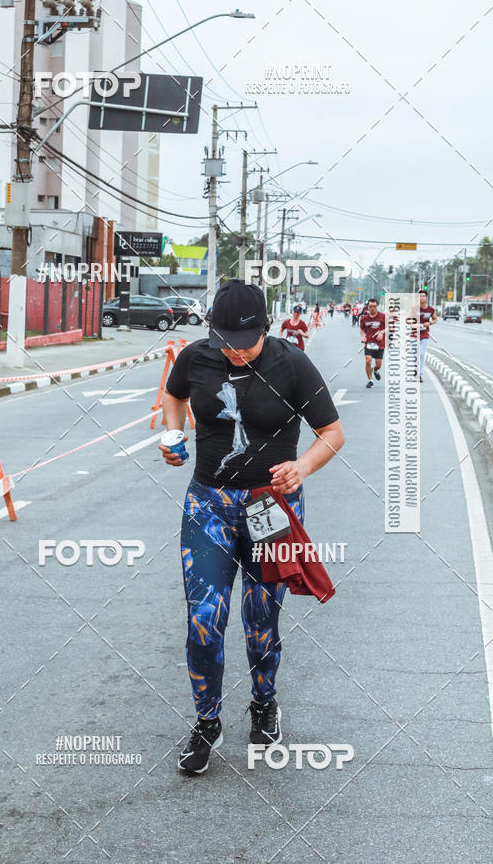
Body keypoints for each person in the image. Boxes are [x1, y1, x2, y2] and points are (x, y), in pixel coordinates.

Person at [159, 279, 344, 775]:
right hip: (209, 505)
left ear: (266, 328)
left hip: (270, 510)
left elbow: (332, 432)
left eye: (246, 344)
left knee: (261, 618)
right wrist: (173, 434)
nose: (236, 353)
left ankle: (264, 703)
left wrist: (302, 467)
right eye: (226, 344)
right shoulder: (197, 358)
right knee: (203, 618)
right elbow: (174, 397)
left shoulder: (292, 364)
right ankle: (206, 722)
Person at [360, 298, 386, 388]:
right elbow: (362, 329)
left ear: (377, 306)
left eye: (374, 306)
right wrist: (363, 336)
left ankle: (375, 370)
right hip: (369, 343)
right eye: (370, 306)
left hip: (380, 344)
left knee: (378, 364)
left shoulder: (383, 316)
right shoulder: (364, 318)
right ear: (368, 307)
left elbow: (389, 327)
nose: (372, 308)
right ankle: (370, 380)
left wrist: (382, 332)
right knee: (368, 360)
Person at [417, 289, 437, 382]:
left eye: (423, 296)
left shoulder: (431, 309)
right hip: (414, 334)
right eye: (420, 296)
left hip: (425, 334)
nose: (422, 298)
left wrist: (429, 323)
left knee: (421, 354)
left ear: (426, 297)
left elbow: (435, 319)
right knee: (414, 354)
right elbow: (407, 320)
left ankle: (420, 374)